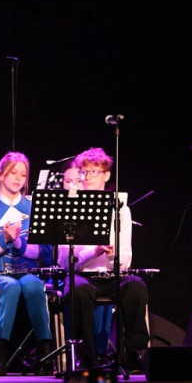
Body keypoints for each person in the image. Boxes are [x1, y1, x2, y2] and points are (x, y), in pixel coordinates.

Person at [61, 147, 150, 370]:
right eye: (83, 172)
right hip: (83, 275)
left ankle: (134, 351)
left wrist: (113, 257)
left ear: (106, 175)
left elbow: (126, 257)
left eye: (94, 172)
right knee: (78, 291)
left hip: (111, 274)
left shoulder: (121, 209)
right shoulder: (69, 206)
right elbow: (65, 260)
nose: (87, 177)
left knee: (136, 286)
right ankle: (87, 354)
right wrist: (94, 251)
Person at [0, 152, 53, 375]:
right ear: (0, 175)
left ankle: (45, 352)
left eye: (23, 174)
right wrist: (3, 238)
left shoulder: (33, 206)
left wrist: (18, 242)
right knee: (10, 285)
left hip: (25, 272)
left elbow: (45, 252)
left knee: (34, 285)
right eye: (13, 173)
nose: (18, 178)